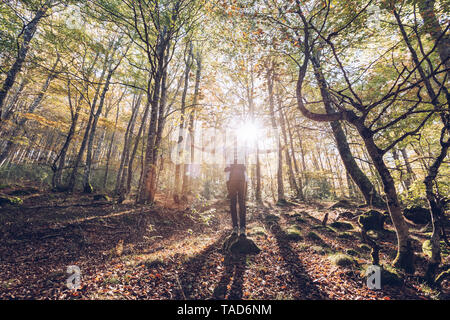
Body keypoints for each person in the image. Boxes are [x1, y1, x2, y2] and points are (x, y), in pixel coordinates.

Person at [224, 134, 248, 237]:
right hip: (231, 180)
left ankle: (242, 228)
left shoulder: (244, 150)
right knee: (232, 203)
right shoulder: (227, 151)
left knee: (242, 203)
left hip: (242, 179)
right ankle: (235, 227)